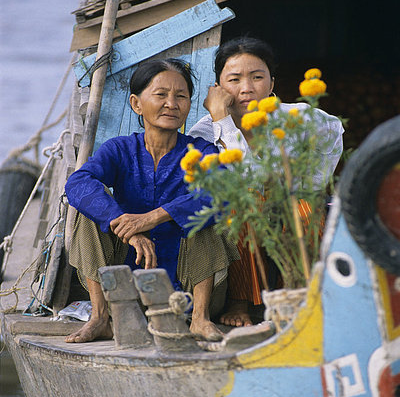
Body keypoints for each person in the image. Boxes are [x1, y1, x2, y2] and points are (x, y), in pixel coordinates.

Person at [65, 58, 238, 344]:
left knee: (206, 216)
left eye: (181, 96)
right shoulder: (120, 149)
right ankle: (100, 318)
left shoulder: (201, 151)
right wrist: (126, 225)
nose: (172, 103)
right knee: (90, 214)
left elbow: (222, 192)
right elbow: (78, 184)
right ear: (136, 103)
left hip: (187, 290)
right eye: (161, 95)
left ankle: (200, 319)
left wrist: (156, 216)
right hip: (126, 289)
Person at [188, 36, 344, 327]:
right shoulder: (205, 131)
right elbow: (244, 177)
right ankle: (240, 299)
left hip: (288, 205)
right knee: (241, 204)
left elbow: (334, 131)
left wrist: (311, 182)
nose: (246, 88)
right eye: (234, 79)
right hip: (242, 213)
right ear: (218, 87)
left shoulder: (294, 117)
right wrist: (222, 120)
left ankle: (296, 291)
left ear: (272, 84)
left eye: (257, 77)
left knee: (304, 208)